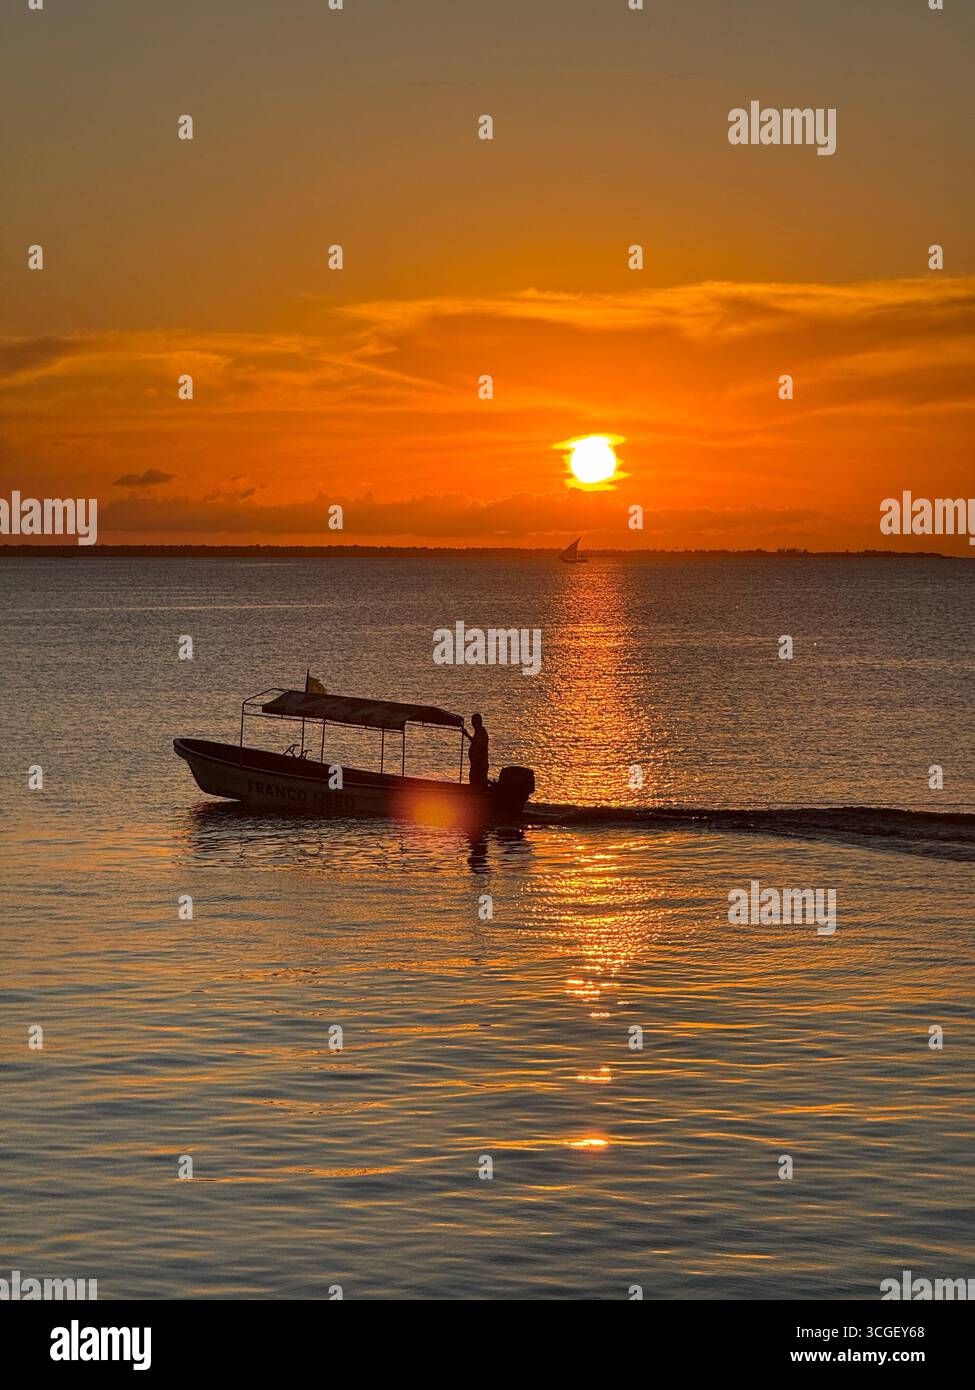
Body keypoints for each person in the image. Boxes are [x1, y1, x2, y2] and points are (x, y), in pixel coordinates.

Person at [464, 713, 489, 789]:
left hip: (479, 766)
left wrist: (479, 765)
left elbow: (483, 749)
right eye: (472, 722)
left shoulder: (482, 732)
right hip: (475, 765)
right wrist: (467, 735)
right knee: (474, 784)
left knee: (478, 785)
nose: (473, 724)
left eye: (474, 722)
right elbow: (475, 743)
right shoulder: (478, 732)